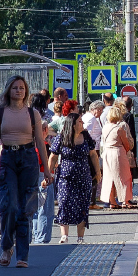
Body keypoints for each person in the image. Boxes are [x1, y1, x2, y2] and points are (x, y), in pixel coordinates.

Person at [0, 76, 53, 267]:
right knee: (9, 206)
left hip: (28, 158)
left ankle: (22, 256)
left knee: (25, 208)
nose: (18, 91)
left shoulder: (32, 113)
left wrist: (48, 170)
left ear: (26, 91)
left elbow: (40, 143)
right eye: (15, 88)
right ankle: (7, 246)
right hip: (7, 158)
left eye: (22, 88)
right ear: (8, 91)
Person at [49, 110, 99, 243]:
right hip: (65, 177)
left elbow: (93, 155)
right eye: (80, 121)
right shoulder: (61, 137)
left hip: (83, 177)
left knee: (82, 205)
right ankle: (64, 235)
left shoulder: (86, 136)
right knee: (64, 202)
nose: (82, 123)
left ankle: (80, 237)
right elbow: (53, 156)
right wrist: (48, 174)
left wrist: (98, 172)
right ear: (72, 124)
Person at [31, 96, 64, 245]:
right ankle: (42, 237)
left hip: (34, 177)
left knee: (36, 210)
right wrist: (49, 175)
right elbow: (44, 163)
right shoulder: (42, 145)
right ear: (44, 130)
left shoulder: (31, 144)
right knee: (45, 209)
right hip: (43, 177)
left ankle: (36, 235)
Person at [100, 106, 136, 210]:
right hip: (117, 153)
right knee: (124, 177)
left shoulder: (105, 127)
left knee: (109, 178)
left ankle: (112, 202)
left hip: (107, 153)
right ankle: (125, 200)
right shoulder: (119, 129)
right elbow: (127, 145)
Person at [82, 100, 105, 209]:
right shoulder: (91, 118)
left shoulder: (87, 116)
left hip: (91, 148)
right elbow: (86, 132)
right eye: (99, 109)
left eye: (102, 110)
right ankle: (91, 202)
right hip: (92, 149)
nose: (101, 112)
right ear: (93, 109)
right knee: (95, 173)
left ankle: (90, 200)